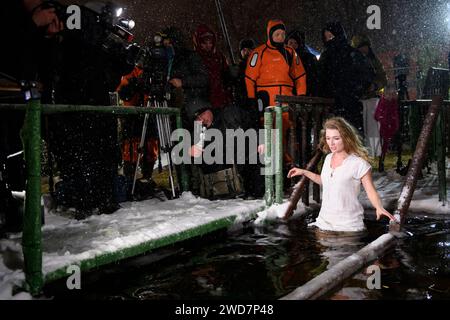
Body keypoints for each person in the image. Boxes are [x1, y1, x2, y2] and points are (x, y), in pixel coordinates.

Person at [287, 117, 396, 232]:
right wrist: (304, 172)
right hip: (324, 221)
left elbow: (370, 190)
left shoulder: (359, 164)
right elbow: (326, 181)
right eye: (328, 138)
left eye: (336, 138)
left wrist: (379, 207)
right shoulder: (328, 158)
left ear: (346, 138)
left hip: (349, 225)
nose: (331, 143)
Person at [245, 19, 307, 166]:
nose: (280, 37)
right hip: (266, 99)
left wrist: (301, 95)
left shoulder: (291, 52)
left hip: (287, 98)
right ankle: (275, 165)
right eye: (277, 34)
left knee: (286, 132)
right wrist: (251, 99)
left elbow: (300, 75)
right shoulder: (258, 53)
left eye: (283, 34)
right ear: (270, 34)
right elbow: (249, 78)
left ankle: (287, 164)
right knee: (270, 133)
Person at [317, 22, 374, 135]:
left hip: (350, 103)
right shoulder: (326, 56)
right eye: (327, 37)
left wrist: (355, 89)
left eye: (331, 36)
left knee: (350, 134)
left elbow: (367, 74)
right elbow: (320, 78)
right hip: (332, 104)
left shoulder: (352, 54)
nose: (329, 40)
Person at [351, 34, 387, 158]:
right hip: (358, 99)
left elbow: (382, 78)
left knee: (373, 128)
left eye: (365, 46)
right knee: (359, 129)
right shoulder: (353, 60)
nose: (363, 49)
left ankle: (374, 151)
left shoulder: (373, 61)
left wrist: (374, 85)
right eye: (361, 47)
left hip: (371, 98)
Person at [193, 24, 233, 110]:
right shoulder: (194, 59)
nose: (208, 46)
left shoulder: (219, 57)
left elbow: (226, 78)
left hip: (221, 100)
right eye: (204, 43)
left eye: (210, 43)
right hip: (203, 103)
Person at [286, 29, 319, 97]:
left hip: (304, 94)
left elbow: (313, 78)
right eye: (291, 43)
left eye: (296, 43)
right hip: (287, 94)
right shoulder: (283, 58)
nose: (293, 45)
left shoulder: (309, 58)